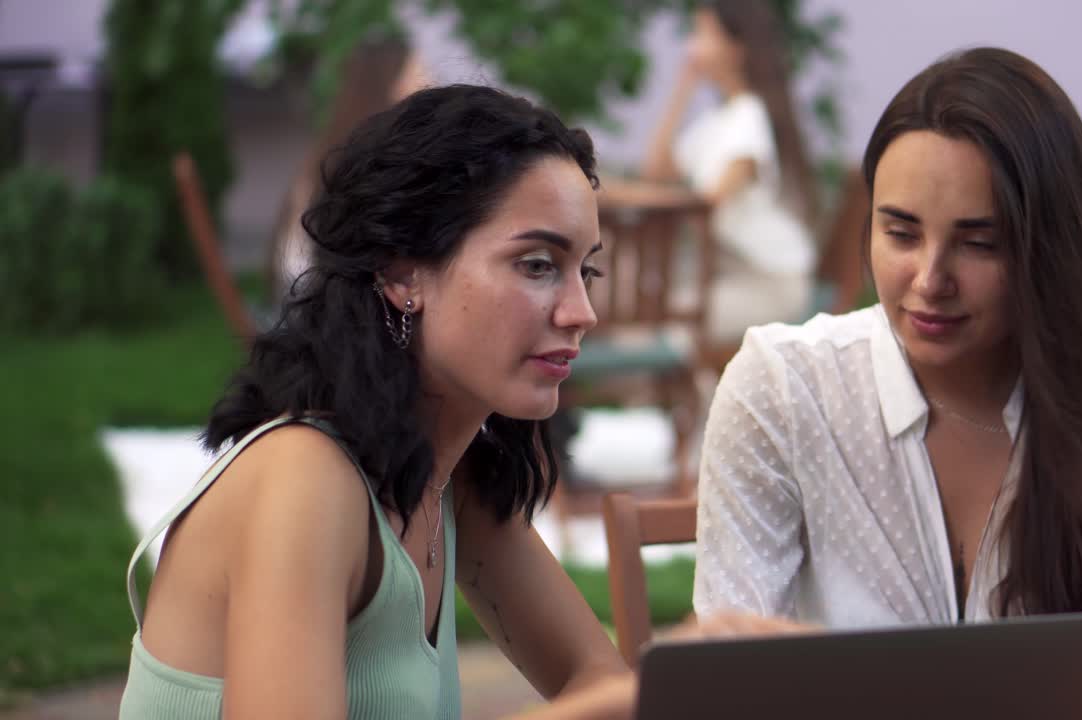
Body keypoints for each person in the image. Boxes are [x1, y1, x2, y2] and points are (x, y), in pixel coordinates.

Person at [693, 47, 1082, 719]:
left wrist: (908, 686)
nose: (929, 280)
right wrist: (1033, 686)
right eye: (900, 233)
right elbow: (730, 677)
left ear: (1050, 248)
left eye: (979, 243)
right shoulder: (783, 388)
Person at [119, 84, 633, 719]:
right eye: (535, 265)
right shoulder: (305, 479)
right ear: (400, 273)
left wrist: (701, 658)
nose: (581, 313)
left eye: (586, 270)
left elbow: (598, 683)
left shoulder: (449, 477)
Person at [602, 0, 818, 346]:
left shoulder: (750, 117)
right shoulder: (718, 122)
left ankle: (695, 398)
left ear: (735, 49)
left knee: (655, 332)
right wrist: (683, 87)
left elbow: (710, 202)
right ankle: (690, 395)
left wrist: (616, 193)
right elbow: (656, 171)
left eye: (703, 33)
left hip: (772, 283)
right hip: (732, 275)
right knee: (640, 318)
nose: (692, 44)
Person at [268, 36, 430, 305]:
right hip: (322, 316)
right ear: (387, 85)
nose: (426, 86)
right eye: (417, 75)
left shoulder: (330, 153)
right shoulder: (370, 165)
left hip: (296, 305)